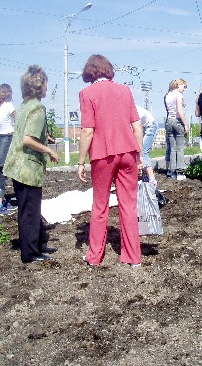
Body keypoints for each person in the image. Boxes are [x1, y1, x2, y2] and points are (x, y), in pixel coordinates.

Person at [77, 54, 143, 268]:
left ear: (89, 72)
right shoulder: (125, 90)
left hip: (102, 155)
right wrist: (139, 155)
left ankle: (95, 256)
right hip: (128, 153)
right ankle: (133, 257)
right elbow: (137, 126)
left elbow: (88, 131)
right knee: (128, 205)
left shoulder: (87, 93)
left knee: (100, 206)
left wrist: (80, 162)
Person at [4, 65, 59, 263]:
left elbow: (26, 132)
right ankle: (30, 254)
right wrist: (49, 150)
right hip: (27, 167)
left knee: (31, 208)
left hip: (18, 165)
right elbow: (27, 139)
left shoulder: (25, 105)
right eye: (45, 84)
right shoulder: (37, 107)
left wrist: (46, 138)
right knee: (29, 211)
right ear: (39, 86)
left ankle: (38, 245)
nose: (46, 87)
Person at [0, 84, 17, 215]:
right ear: (9, 94)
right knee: (8, 172)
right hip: (8, 140)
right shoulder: (8, 106)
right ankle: (0, 206)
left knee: (0, 173)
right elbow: (20, 121)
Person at [165, 78, 189, 180]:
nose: (184, 89)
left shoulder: (168, 95)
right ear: (178, 85)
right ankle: (180, 172)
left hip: (169, 121)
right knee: (180, 148)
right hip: (177, 121)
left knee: (172, 148)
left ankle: (172, 171)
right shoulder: (178, 95)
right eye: (184, 86)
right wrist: (185, 124)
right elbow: (179, 111)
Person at [136, 105, 158, 186]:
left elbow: (138, 130)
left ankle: (152, 179)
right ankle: (141, 176)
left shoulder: (135, 112)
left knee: (143, 152)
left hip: (151, 126)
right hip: (142, 127)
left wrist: (139, 154)